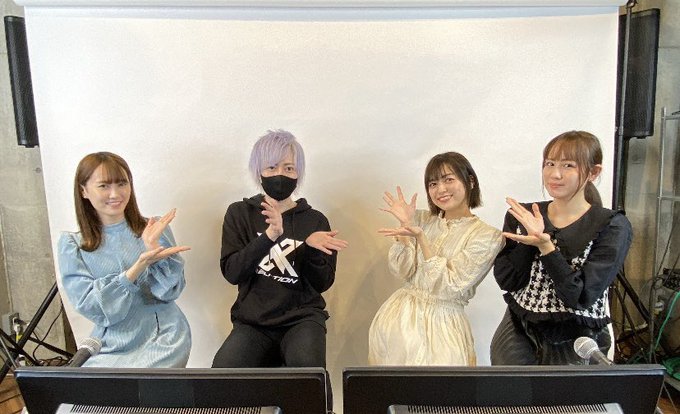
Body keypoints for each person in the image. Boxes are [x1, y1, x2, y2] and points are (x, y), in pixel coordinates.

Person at [490, 130, 633, 365]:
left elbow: (580, 298)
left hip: (576, 334)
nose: (555, 174)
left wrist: (547, 247)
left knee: (562, 390)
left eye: (568, 165)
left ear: (594, 172)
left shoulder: (612, 225)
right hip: (519, 327)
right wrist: (530, 239)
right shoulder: (525, 215)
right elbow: (508, 281)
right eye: (550, 163)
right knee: (509, 386)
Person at [212, 129, 348, 369]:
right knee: (223, 374)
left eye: (289, 168)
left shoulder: (315, 221)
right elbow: (232, 272)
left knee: (308, 374)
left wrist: (312, 251)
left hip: (302, 320)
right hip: (253, 322)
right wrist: (269, 236)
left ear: (298, 173)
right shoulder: (240, 213)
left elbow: (322, 283)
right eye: (271, 167)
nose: (280, 175)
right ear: (259, 171)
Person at [368, 152, 503, 366]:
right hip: (399, 319)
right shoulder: (420, 218)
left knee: (444, 385)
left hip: (444, 325)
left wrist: (422, 239)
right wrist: (405, 228)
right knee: (393, 385)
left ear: (470, 181)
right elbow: (402, 271)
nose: (440, 189)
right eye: (433, 184)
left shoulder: (488, 236)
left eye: (448, 179)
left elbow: (450, 286)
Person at [58, 152, 192, 368]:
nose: (115, 194)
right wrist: (136, 269)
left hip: (163, 336)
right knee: (88, 387)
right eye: (104, 186)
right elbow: (91, 306)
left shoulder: (153, 229)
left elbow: (169, 292)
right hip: (109, 342)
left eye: (122, 183)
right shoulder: (73, 245)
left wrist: (154, 251)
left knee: (140, 384)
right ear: (84, 191)